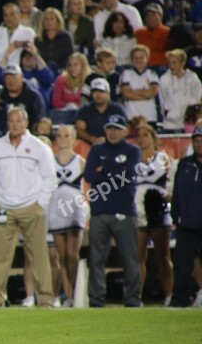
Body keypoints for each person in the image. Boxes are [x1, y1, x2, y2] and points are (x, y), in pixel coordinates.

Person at [0, 106, 57, 308]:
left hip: (31, 206)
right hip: (3, 207)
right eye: (11, 121)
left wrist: (40, 204)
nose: (14, 124)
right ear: (7, 123)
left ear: (26, 123)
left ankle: (45, 299)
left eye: (18, 121)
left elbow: (50, 178)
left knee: (39, 255)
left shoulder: (39, 147)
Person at [83, 114, 142, 308]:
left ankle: (132, 299)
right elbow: (89, 174)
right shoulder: (97, 149)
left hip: (124, 212)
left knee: (129, 258)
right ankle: (96, 299)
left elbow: (130, 175)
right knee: (96, 258)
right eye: (109, 128)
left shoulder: (132, 150)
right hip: (99, 212)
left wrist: (104, 172)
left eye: (117, 128)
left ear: (125, 131)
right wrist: (116, 172)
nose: (113, 132)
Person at [133, 124, 173, 305]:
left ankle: (169, 295)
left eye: (145, 135)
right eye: (138, 136)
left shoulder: (162, 158)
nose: (142, 139)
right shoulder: (133, 160)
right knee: (138, 257)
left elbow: (169, 184)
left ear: (153, 137)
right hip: (138, 211)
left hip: (159, 211)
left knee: (163, 258)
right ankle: (137, 297)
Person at [48, 125, 86, 307]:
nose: (62, 139)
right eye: (59, 135)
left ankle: (77, 291)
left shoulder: (80, 161)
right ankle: (69, 296)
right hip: (55, 210)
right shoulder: (50, 161)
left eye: (66, 135)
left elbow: (92, 188)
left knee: (73, 254)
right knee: (61, 256)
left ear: (73, 138)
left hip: (75, 209)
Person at [169, 128, 202, 307]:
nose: (199, 144)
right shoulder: (184, 165)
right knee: (182, 264)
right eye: (196, 140)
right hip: (187, 223)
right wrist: (176, 215)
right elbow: (176, 193)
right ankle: (180, 299)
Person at [0, 3, 35, 71]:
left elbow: (31, 51)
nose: (8, 18)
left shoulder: (28, 33)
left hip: (18, 72)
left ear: (19, 15)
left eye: (12, 14)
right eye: (5, 15)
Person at [159, 49, 202, 132]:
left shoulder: (192, 78)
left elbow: (198, 97)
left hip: (189, 123)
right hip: (170, 124)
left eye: (174, 63)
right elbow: (162, 100)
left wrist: (191, 116)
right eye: (169, 63)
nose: (171, 66)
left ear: (182, 63)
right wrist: (168, 114)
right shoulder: (164, 79)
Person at [75, 78, 127, 145]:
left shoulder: (117, 109)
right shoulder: (85, 109)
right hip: (89, 146)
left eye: (101, 91)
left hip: (113, 145)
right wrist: (94, 139)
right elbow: (79, 130)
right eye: (95, 91)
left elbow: (126, 128)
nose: (98, 95)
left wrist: (109, 139)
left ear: (108, 93)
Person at [120, 45, 159, 124]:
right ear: (131, 59)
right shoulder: (126, 73)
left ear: (147, 59)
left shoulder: (152, 74)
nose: (138, 60)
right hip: (131, 116)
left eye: (141, 57)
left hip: (149, 116)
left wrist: (133, 91)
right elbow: (126, 93)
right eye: (135, 58)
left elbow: (152, 93)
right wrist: (146, 95)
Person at [0, 64, 45, 128]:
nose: (10, 81)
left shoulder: (33, 97)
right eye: (7, 78)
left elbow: (39, 121)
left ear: (21, 77)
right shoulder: (1, 97)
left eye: (13, 77)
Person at [35, 7, 73, 72]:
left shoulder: (66, 37)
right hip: (43, 71)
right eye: (46, 19)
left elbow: (70, 57)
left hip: (62, 71)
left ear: (58, 21)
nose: (48, 22)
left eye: (51, 19)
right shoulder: (38, 39)